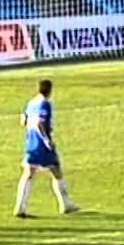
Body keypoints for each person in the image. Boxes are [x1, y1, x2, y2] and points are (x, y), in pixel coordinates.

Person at [14, 79, 80, 218]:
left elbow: (23, 121)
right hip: (42, 144)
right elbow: (40, 122)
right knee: (56, 171)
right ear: (49, 90)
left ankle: (20, 207)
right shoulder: (45, 104)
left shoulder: (31, 103)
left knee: (28, 173)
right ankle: (65, 204)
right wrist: (46, 140)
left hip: (31, 142)